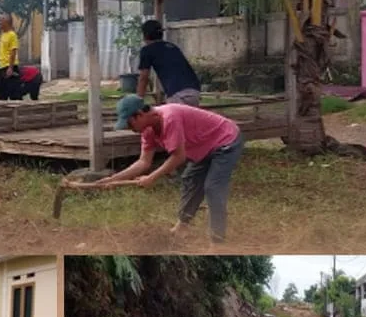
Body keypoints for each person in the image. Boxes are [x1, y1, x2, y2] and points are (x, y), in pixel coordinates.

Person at [74, 94, 244, 243]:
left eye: (130, 124)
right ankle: (182, 227)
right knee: (190, 180)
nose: (130, 129)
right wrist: (113, 179)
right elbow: (143, 162)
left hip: (225, 141)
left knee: (212, 188)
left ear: (139, 115)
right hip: (203, 146)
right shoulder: (147, 130)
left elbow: (179, 157)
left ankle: (217, 241)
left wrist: (152, 177)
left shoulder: (170, 118)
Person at [136, 19, 201, 106]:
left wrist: (137, 101)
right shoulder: (172, 46)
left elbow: (143, 78)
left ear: (145, 36)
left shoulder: (147, 50)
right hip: (194, 91)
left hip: (177, 93)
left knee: (171, 118)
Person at [0, 15, 20, 101]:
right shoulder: (3, 34)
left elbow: (13, 52)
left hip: (9, 68)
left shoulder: (12, 35)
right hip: (2, 67)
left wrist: (10, 67)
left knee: (14, 95)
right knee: (0, 95)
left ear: (7, 22)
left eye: (1, 21)